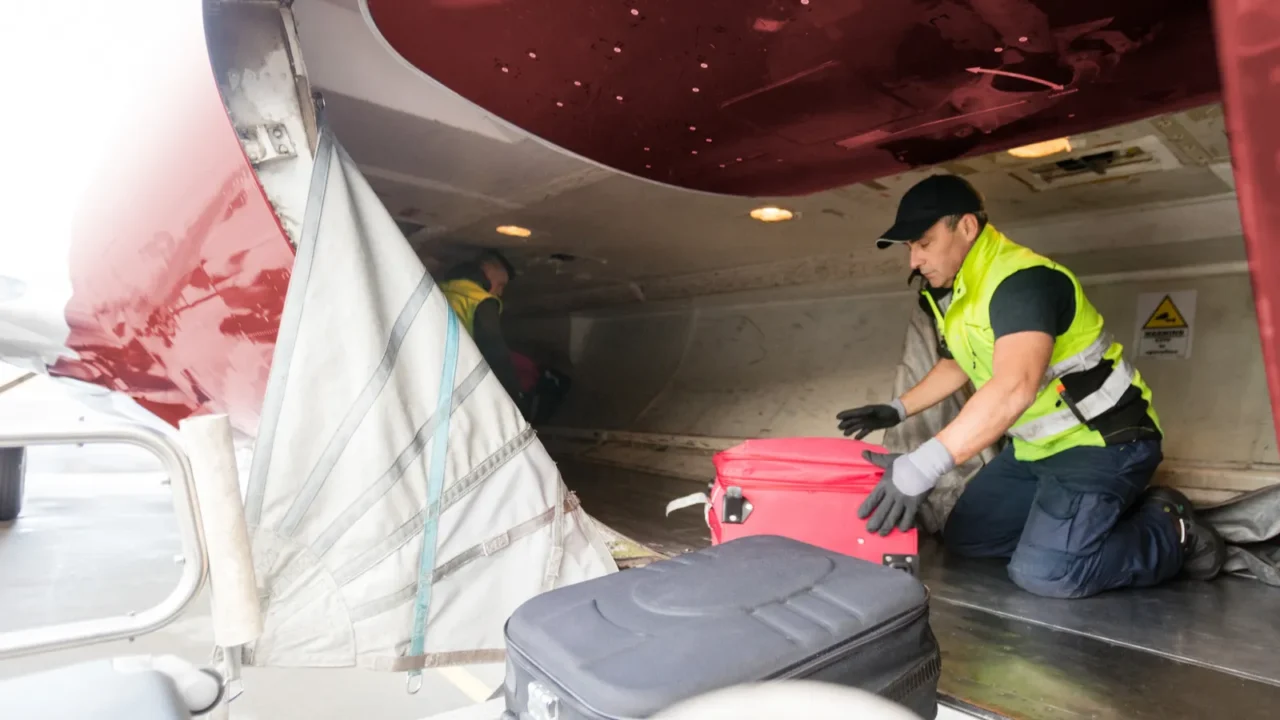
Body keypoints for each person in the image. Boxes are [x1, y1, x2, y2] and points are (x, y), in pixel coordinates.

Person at [835, 175, 1226, 599]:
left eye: (923, 243)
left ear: (966, 226)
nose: (913, 260)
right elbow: (957, 365)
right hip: (1035, 450)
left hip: (1103, 442)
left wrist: (922, 465)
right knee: (968, 539)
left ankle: (1168, 528)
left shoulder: (1022, 281)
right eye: (909, 247)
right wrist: (898, 409)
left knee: (1047, 574)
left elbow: (1015, 387)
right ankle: (1083, 522)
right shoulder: (960, 292)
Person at [440, 250, 526, 410]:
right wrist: (514, 398)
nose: (500, 293)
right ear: (487, 269)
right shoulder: (481, 301)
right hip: (460, 382)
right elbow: (495, 352)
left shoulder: (440, 291)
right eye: (501, 285)